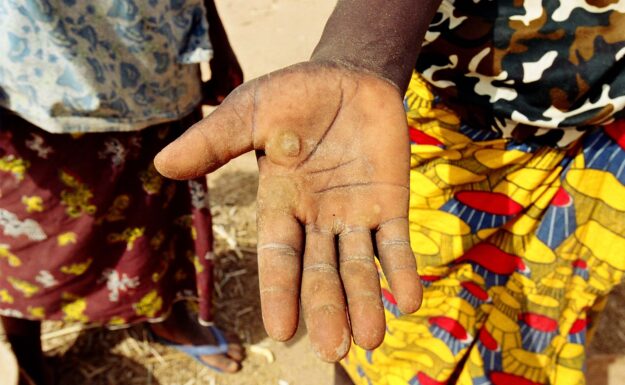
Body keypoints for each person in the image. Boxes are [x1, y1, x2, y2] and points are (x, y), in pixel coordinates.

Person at [155, 0, 625, 384]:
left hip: (604, 139)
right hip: (445, 118)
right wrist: (362, 56)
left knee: (536, 332)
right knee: (384, 319)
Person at [0, 1, 244, 384]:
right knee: (27, 231)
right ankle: (27, 359)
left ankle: (166, 318)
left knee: (153, 215)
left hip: (153, 59)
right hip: (31, 81)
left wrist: (214, 33)